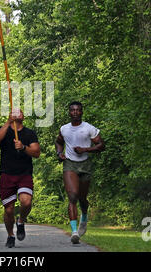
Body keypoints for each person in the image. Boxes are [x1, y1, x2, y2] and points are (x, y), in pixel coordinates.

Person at [55, 101, 105, 244]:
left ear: (82, 112)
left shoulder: (88, 128)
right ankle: (74, 232)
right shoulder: (64, 129)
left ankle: (84, 215)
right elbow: (59, 142)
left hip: (85, 164)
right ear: (69, 112)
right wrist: (59, 153)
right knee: (72, 196)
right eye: (72, 110)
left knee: (82, 198)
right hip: (70, 163)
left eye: (78, 110)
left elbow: (101, 145)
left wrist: (85, 149)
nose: (75, 112)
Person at [0, 108, 40, 248]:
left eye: (19, 112)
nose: (16, 113)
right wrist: (8, 122)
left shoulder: (29, 133)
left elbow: (36, 152)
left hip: (24, 174)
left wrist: (23, 147)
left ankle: (21, 221)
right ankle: (10, 235)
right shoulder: (4, 130)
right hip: (7, 174)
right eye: (13, 112)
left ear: (23, 117)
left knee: (26, 202)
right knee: (8, 209)